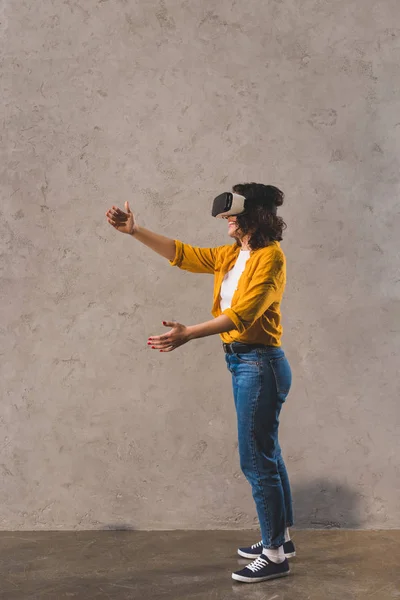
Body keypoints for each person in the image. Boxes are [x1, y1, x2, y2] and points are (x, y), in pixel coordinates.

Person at [105, 182, 295, 584]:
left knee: (255, 459)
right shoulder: (233, 255)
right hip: (245, 364)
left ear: (253, 216)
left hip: (259, 365)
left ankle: (275, 554)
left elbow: (243, 314)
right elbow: (185, 255)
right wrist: (136, 231)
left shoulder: (270, 260)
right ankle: (282, 539)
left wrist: (189, 333)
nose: (226, 219)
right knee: (268, 453)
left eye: (232, 214)